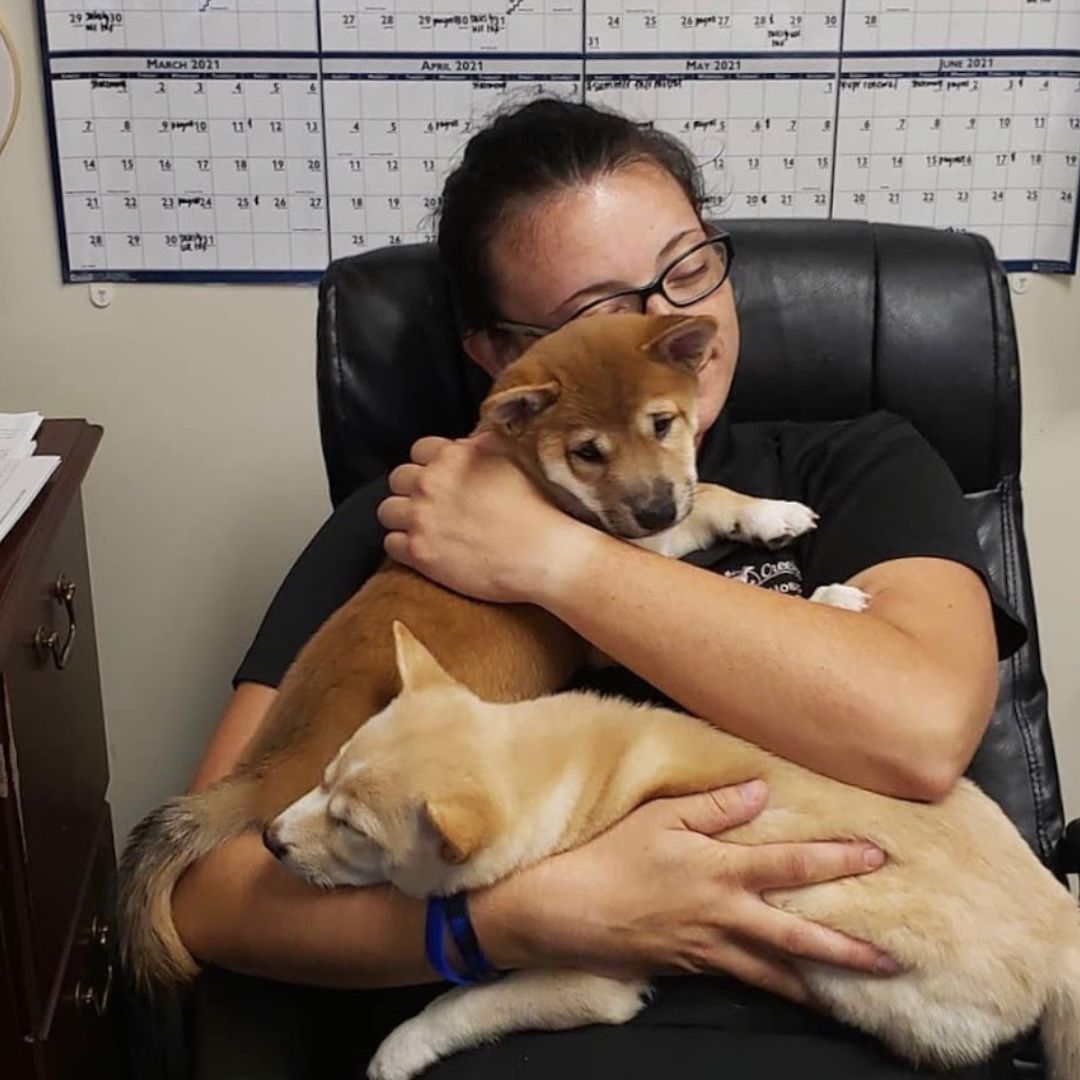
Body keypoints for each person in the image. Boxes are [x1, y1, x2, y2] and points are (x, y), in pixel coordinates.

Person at [171, 98, 1023, 1079]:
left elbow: (920, 730)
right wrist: (517, 918)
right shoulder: (413, 519)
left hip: (861, 1017)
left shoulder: (855, 467)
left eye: (689, 267)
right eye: (599, 312)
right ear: (500, 355)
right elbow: (205, 893)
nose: (668, 323)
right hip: (525, 1023)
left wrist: (553, 561)